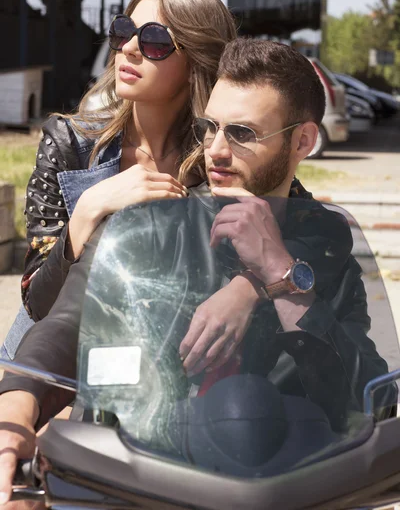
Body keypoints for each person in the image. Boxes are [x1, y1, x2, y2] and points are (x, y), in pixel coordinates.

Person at [0, 39, 395, 498]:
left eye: (242, 133)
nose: (216, 150)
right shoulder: (146, 225)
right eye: (210, 128)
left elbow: (370, 397)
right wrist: (14, 418)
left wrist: (277, 274)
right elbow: (67, 324)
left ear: (303, 140)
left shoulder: (324, 252)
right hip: (138, 482)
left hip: (292, 488)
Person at [0, 0, 237, 361]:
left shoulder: (224, 156)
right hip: (53, 360)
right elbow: (37, 303)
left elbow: (306, 234)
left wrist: (247, 288)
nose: (128, 48)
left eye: (155, 40)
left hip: (163, 364)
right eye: (124, 31)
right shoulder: (68, 143)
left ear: (197, 60)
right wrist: (89, 210)